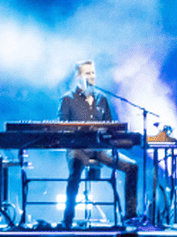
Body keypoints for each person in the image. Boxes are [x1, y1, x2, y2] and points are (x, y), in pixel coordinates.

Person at [58, 60, 136, 228]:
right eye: (87, 74)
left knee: (132, 167)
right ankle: (67, 218)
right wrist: (79, 130)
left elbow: (111, 126)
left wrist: (112, 134)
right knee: (76, 171)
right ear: (78, 76)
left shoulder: (102, 99)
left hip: (100, 149)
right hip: (78, 148)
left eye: (93, 73)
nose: (91, 77)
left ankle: (130, 215)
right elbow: (61, 127)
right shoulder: (67, 99)